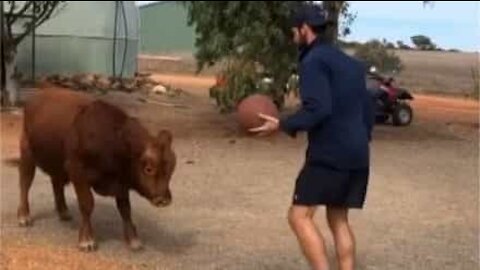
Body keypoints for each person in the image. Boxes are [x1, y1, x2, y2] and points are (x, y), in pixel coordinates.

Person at [249, 3, 374, 270]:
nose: (293, 35)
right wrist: (362, 139)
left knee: (299, 216)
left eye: (294, 30)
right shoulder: (351, 64)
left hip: (330, 155)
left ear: (304, 29)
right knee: (339, 219)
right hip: (357, 153)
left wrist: (282, 124)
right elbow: (367, 107)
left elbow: (318, 108)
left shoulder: (312, 61)